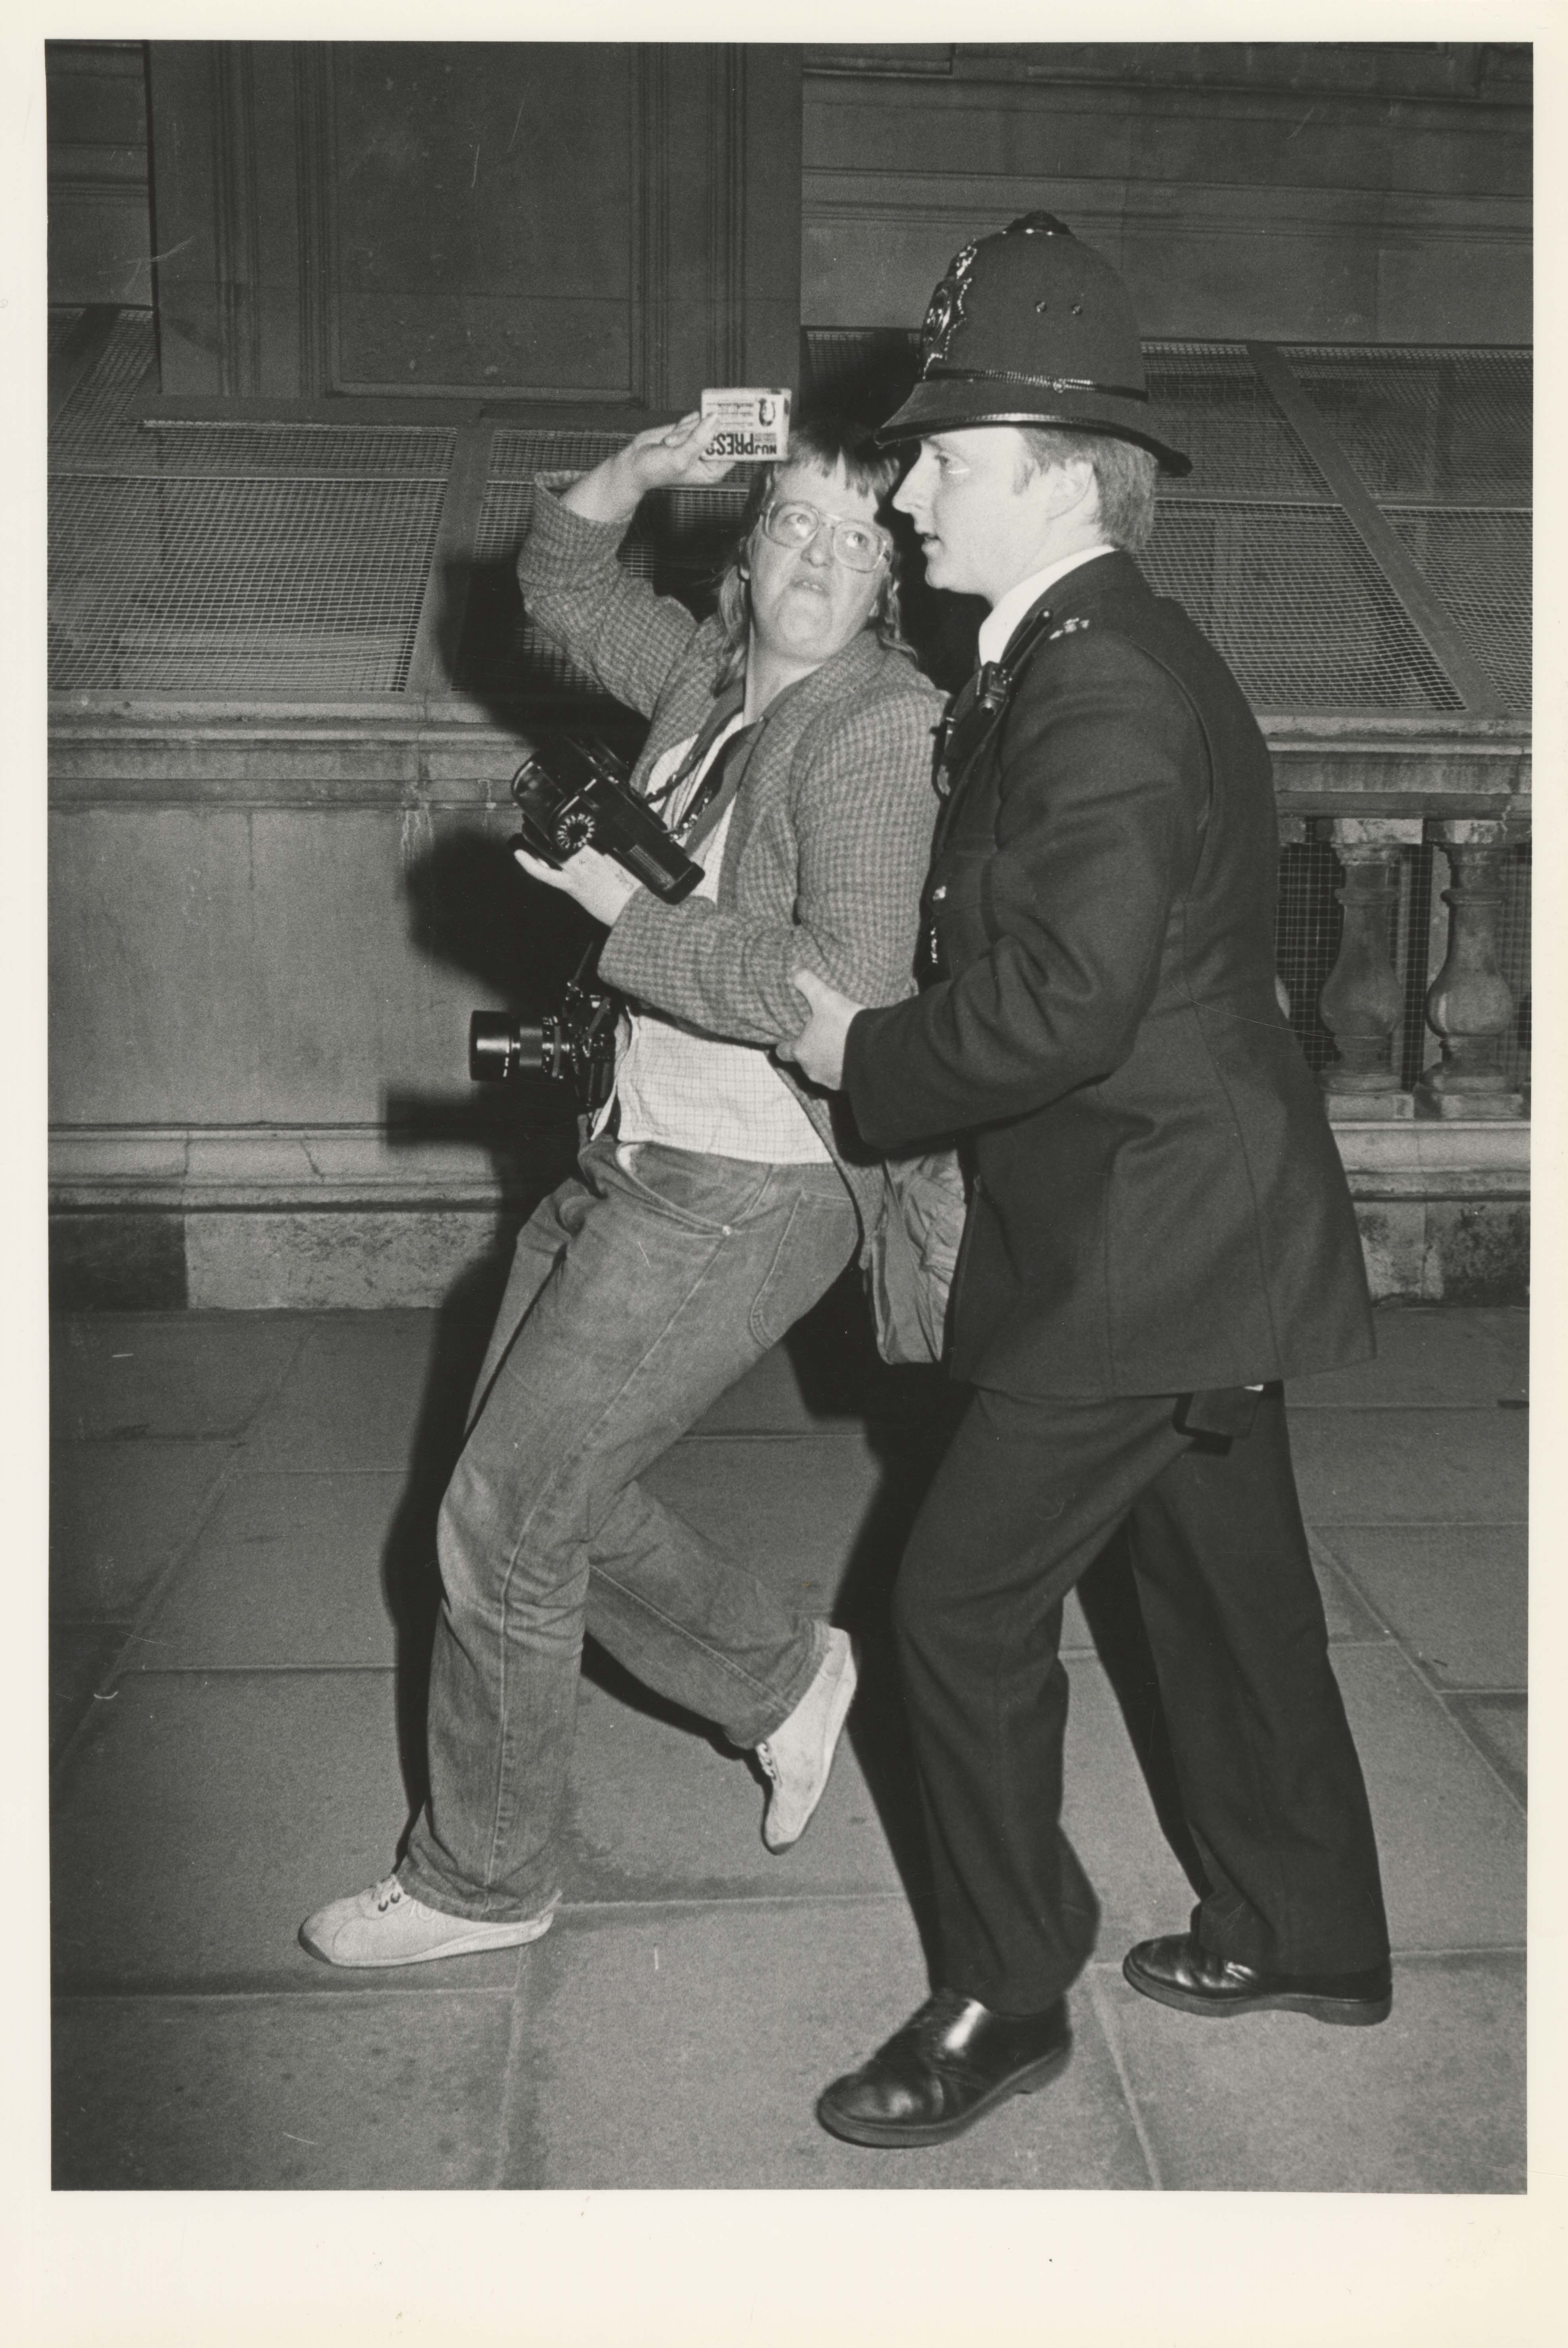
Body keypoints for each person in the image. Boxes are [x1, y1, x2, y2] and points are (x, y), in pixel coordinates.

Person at [786, 214, 1392, 2148]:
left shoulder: (1098, 680)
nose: (907, 485)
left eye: (942, 457)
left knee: (955, 1615)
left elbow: (1054, 1005)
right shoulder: (1085, 644)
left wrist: (854, 1055)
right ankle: (1311, 1929)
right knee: (1228, 1598)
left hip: (1151, 1244)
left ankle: (1005, 1985)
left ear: (1052, 469)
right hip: (1197, 1216)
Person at [302, 411, 941, 1968]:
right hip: (638, 1141)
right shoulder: (712, 685)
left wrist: (618, 911)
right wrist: (639, 471)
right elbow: (564, 584)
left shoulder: (880, 731)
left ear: (889, 587)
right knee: (531, 1500)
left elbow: (844, 988)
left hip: (755, 1179)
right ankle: (785, 1675)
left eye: (858, 541)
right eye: (794, 523)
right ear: (749, 546)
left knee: (505, 1513)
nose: (817, 558)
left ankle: (482, 1875)